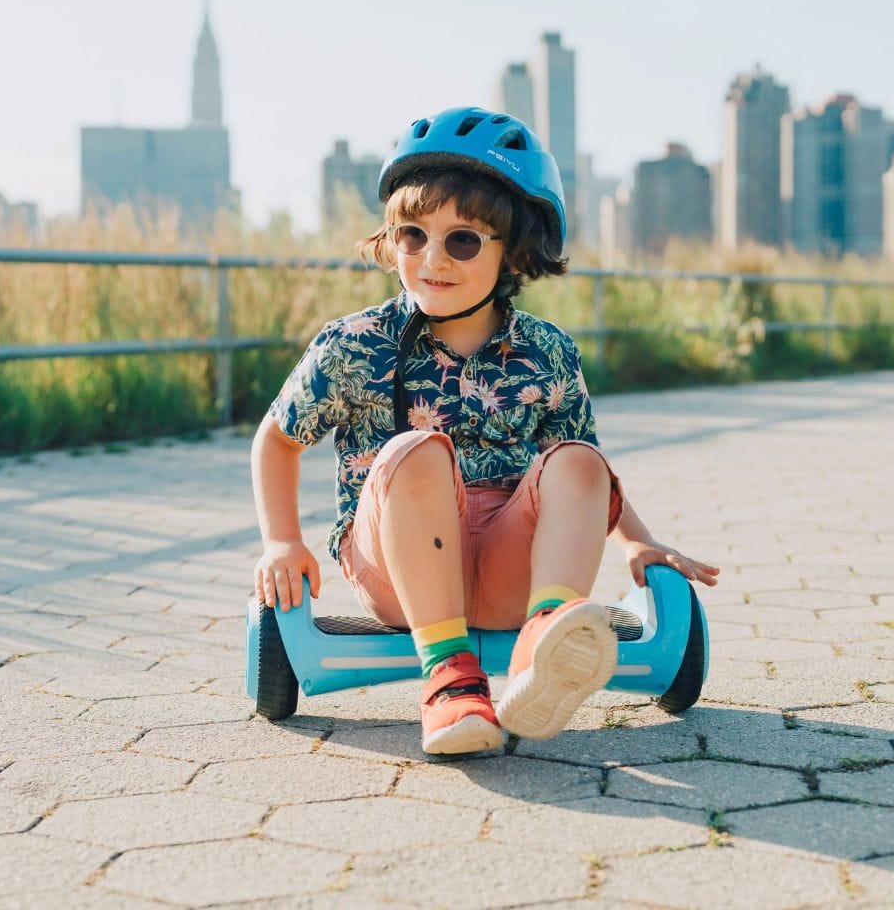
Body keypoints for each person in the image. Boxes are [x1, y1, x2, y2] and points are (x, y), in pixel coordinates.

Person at [251, 106, 718, 755]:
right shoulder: (354, 345)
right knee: (416, 452)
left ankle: (544, 641)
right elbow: (277, 439)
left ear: (514, 252)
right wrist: (281, 541)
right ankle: (449, 682)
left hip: (508, 568)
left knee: (578, 459)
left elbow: (581, 479)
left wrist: (638, 542)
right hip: (396, 564)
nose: (432, 259)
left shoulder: (547, 351)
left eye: (463, 241)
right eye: (413, 235)